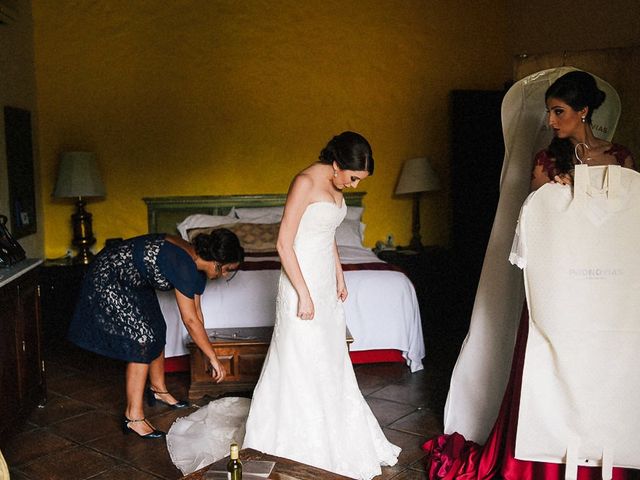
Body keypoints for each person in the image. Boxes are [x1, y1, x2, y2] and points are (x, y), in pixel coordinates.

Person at [423, 71, 636, 479]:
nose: (551, 122)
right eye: (548, 113)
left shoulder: (621, 158)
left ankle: (601, 455)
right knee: (546, 361)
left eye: (559, 112)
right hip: (557, 283)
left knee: (602, 369)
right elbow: (532, 222)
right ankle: (539, 460)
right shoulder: (547, 160)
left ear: (584, 111)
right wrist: (554, 190)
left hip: (605, 286)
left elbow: (626, 222)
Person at [241, 131, 400, 479]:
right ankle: (298, 442)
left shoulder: (337, 186)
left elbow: (326, 236)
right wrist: (304, 293)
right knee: (299, 358)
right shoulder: (304, 182)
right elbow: (284, 243)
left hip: (325, 283)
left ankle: (337, 429)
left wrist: (339, 277)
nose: (355, 185)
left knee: (329, 358)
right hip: (300, 284)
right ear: (337, 164)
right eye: (353, 177)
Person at [67, 229, 244, 439]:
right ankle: (133, 417)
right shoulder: (184, 264)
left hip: (134, 281)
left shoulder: (197, 264)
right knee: (142, 339)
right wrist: (213, 358)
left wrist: (205, 351)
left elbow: (197, 315)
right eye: (227, 270)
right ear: (216, 263)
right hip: (110, 275)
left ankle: (158, 389)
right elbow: (190, 320)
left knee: (157, 327)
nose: (225, 276)